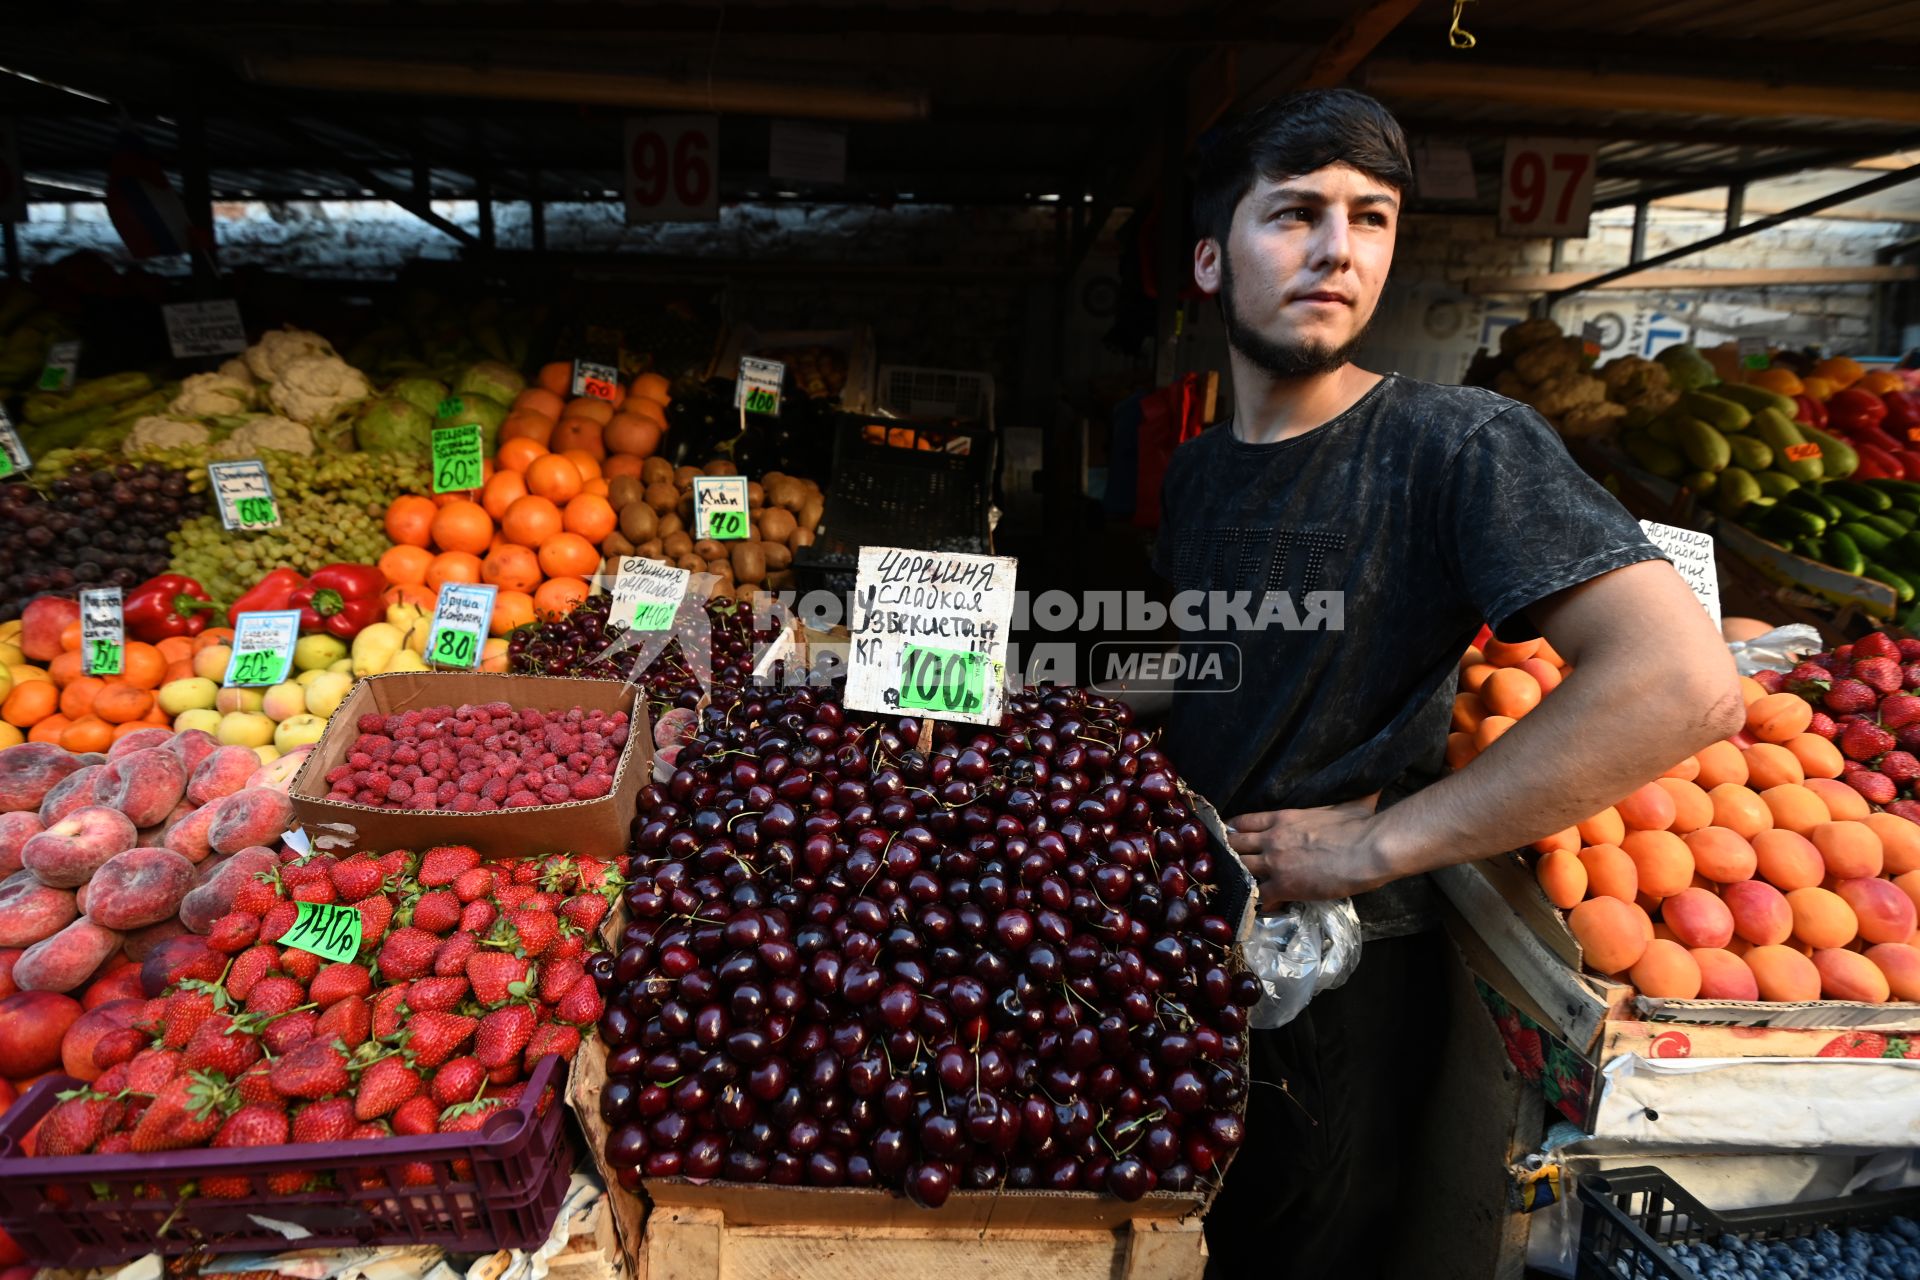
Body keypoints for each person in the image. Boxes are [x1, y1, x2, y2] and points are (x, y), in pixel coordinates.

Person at [1150, 89, 1746, 1278]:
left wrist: (1368, 849)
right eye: (1296, 214)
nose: (1338, 249)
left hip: (1341, 990)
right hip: (1200, 958)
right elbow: (1217, 663)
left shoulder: (1458, 444)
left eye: (1371, 218)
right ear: (1211, 260)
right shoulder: (1202, 469)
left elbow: (1682, 683)